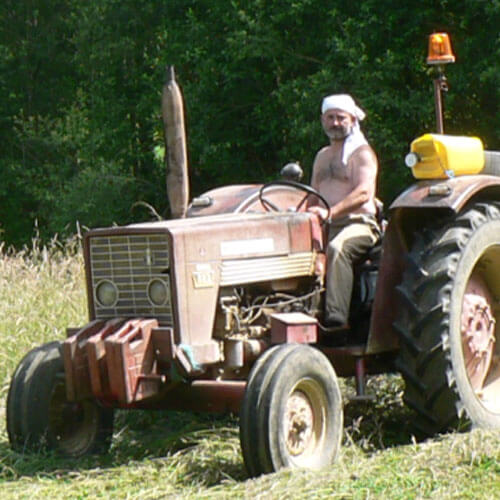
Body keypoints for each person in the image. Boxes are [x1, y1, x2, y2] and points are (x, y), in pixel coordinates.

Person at [307, 94, 380, 330]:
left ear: (352, 120)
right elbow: (313, 195)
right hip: (326, 225)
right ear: (322, 120)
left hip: (358, 224)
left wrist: (331, 212)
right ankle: (305, 312)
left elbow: (364, 193)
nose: (335, 123)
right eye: (330, 118)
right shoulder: (321, 156)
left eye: (340, 118)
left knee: (337, 249)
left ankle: (336, 320)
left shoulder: (362, 154)